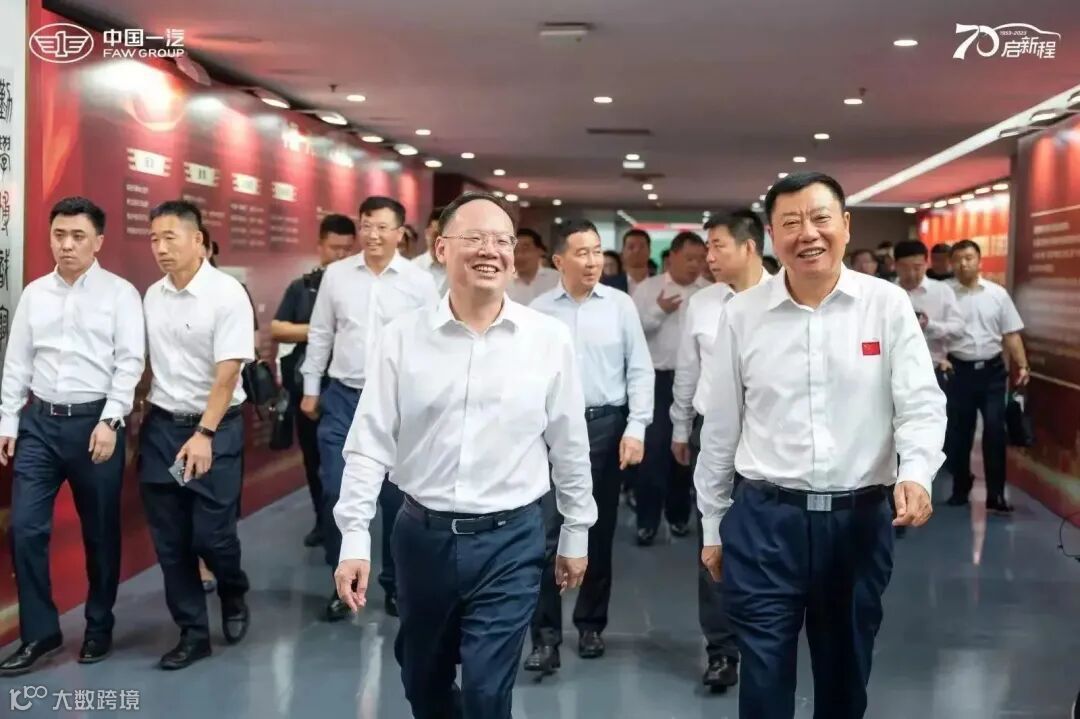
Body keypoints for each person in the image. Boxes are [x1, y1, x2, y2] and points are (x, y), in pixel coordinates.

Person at [332, 191, 597, 719]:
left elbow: (569, 442)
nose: (490, 250)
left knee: (485, 691)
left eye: (502, 240)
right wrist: (355, 538)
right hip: (422, 537)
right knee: (422, 679)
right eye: (474, 238)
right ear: (441, 248)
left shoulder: (547, 339)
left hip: (511, 540)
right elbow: (368, 443)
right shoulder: (401, 338)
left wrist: (576, 530)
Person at [696, 172, 945, 718]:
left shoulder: (886, 305)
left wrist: (916, 472)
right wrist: (713, 524)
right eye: (790, 222)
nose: (807, 233)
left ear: (846, 226)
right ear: (771, 236)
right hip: (766, 522)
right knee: (763, 677)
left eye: (820, 218)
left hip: (857, 523)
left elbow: (920, 403)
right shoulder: (742, 315)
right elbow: (720, 429)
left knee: (845, 675)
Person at [0, 197, 144, 676]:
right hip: (39, 424)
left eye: (78, 236)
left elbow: (130, 363)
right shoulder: (35, 294)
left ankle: (99, 624)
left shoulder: (120, 294)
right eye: (59, 235)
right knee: (25, 528)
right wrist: (8, 422)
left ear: (98, 241)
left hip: (94, 425)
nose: (66, 245)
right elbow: (17, 362)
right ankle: (40, 632)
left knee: (99, 532)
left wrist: (111, 419)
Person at [300, 196, 439, 622]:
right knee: (336, 489)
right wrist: (311, 387)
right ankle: (341, 582)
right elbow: (321, 333)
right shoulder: (337, 275)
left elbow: (432, 343)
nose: (373, 235)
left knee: (397, 499)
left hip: (399, 402)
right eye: (367, 226)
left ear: (400, 233)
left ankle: (395, 584)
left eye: (382, 227)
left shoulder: (419, 282)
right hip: (344, 397)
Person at [524, 219, 653, 674]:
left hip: (604, 429)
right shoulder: (537, 311)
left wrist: (636, 427)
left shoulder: (620, 306)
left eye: (598, 251)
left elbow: (640, 369)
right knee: (544, 533)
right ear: (559, 261)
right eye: (582, 253)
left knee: (596, 530)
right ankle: (545, 638)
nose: (593, 261)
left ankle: (591, 624)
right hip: (548, 432)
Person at [141, 200, 255, 670]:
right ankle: (193, 633)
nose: (160, 248)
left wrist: (205, 433)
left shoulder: (227, 294)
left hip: (215, 428)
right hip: (163, 429)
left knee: (212, 536)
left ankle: (232, 588)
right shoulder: (152, 295)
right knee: (171, 541)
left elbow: (227, 374)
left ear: (198, 240)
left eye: (170, 238)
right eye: (154, 239)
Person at [669, 209, 771, 692]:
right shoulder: (703, 304)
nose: (707, 257)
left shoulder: (783, 299)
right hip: (712, 433)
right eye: (706, 247)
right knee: (713, 539)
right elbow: (688, 370)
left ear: (749, 247)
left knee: (766, 542)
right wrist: (680, 425)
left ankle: (765, 642)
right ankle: (721, 650)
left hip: (769, 435)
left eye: (717, 246)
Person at [271, 214, 356, 548]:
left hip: (352, 387)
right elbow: (278, 328)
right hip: (310, 385)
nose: (340, 255)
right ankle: (323, 521)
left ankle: (348, 525)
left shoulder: (360, 286)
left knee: (350, 463)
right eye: (334, 248)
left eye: (347, 249)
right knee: (314, 459)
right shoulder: (303, 287)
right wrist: (322, 329)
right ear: (320, 246)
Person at [632, 231, 708, 545]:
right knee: (653, 453)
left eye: (701, 259)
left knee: (685, 451)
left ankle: (678, 516)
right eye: (689, 258)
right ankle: (647, 521)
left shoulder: (708, 292)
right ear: (672, 256)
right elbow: (633, 333)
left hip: (697, 382)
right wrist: (658, 311)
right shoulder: (648, 288)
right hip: (657, 381)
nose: (695, 265)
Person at [943, 239, 1029, 513]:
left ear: (979, 261)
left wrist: (1022, 365)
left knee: (994, 432)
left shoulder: (997, 294)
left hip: (992, 372)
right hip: (958, 372)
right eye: (958, 259)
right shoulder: (944, 295)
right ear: (951, 263)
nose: (963, 264)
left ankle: (996, 494)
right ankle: (960, 487)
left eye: (969, 258)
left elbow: (1011, 333)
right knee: (959, 434)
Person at [892, 240, 964, 387]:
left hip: (934, 369)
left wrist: (930, 325)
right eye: (904, 268)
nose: (911, 274)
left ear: (926, 264)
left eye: (917, 267)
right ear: (895, 265)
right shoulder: (887, 292)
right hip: (894, 372)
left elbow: (959, 329)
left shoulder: (942, 291)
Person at [506, 228, 559, 304]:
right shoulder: (505, 285)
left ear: (540, 251)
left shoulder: (556, 279)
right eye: (515, 251)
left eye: (525, 249)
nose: (519, 256)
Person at [412, 207, 448, 294]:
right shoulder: (413, 268)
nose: (439, 242)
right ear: (426, 234)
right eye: (435, 235)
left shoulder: (461, 269)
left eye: (445, 236)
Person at [620, 228, 652, 295]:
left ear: (649, 251)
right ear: (623, 252)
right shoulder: (609, 285)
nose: (636, 251)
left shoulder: (662, 284)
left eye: (641, 247)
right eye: (631, 247)